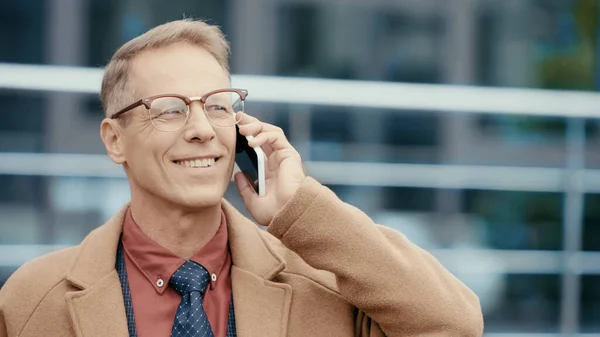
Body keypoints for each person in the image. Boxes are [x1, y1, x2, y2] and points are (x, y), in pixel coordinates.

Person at [0, 19, 483, 337]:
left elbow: (455, 324)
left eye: (216, 105)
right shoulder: (32, 300)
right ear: (114, 140)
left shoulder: (324, 284)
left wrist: (305, 212)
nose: (201, 129)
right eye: (169, 109)